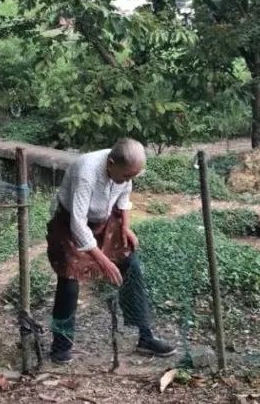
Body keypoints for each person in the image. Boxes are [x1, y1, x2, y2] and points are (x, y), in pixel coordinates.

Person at [46, 137, 176, 364]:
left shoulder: (126, 168)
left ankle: (145, 337)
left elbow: (124, 195)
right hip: (70, 222)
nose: (129, 180)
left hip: (105, 218)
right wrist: (104, 261)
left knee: (131, 265)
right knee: (69, 279)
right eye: (126, 175)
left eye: (133, 176)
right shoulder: (86, 172)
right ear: (111, 163)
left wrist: (125, 226)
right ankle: (60, 346)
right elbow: (78, 224)